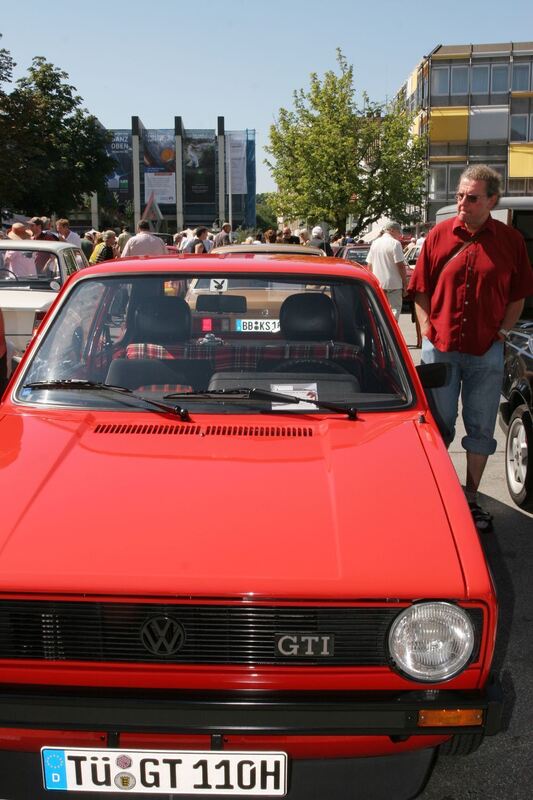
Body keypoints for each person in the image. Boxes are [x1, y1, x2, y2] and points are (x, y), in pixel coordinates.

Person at [409, 164, 533, 532]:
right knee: (439, 424)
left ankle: (471, 498)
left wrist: (503, 331)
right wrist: (426, 328)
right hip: (440, 349)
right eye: (460, 195)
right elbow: (420, 289)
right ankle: (440, 495)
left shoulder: (510, 241)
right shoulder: (439, 235)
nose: (463, 202)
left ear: (492, 200)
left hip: (486, 351)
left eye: (472, 197)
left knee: (480, 427)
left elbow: (518, 296)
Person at [365, 222, 407, 321]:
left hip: (378, 283)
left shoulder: (375, 243)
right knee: (394, 310)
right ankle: (392, 328)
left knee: (379, 309)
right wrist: (405, 283)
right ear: (392, 230)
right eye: (398, 232)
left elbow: (369, 265)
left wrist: (371, 281)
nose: (399, 235)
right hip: (394, 284)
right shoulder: (395, 243)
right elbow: (400, 265)